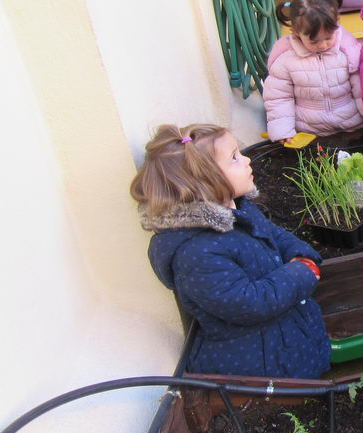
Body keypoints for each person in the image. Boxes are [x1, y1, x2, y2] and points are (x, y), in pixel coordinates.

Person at [130, 124, 330, 378]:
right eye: (234, 158)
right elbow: (250, 303)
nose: (247, 160)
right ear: (205, 182)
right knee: (291, 409)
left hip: (287, 338)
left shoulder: (238, 209)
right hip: (259, 364)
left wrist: (304, 256)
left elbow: (275, 235)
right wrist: (302, 271)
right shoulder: (196, 253)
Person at [263, 0, 363, 143]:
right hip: (311, 133)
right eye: (314, 41)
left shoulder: (348, 51)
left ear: (337, 23)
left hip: (352, 127)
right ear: (296, 32)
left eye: (328, 37)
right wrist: (283, 131)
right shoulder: (285, 60)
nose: (323, 45)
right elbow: (279, 98)